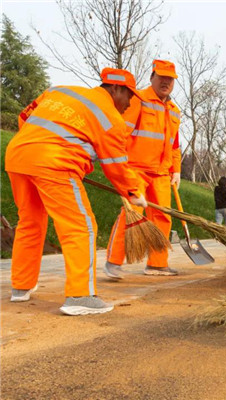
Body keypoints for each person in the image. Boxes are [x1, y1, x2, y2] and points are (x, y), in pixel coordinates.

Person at [6, 68, 146, 315]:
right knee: (81, 226)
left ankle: (21, 287)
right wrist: (134, 192)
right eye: (130, 97)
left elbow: (24, 117)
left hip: (18, 155)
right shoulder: (109, 117)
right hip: (55, 163)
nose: (130, 104)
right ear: (116, 89)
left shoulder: (59, 91)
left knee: (29, 222)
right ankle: (81, 296)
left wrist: (36, 145)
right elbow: (116, 166)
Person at [104, 60, 182, 279]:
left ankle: (157, 264)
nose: (165, 82)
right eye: (161, 77)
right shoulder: (139, 100)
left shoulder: (175, 111)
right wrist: (118, 164)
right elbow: (121, 132)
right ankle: (113, 262)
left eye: (170, 79)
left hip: (161, 173)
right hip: (136, 169)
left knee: (163, 217)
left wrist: (176, 169)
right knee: (132, 213)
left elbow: (174, 143)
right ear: (152, 77)